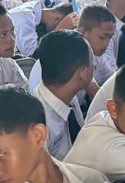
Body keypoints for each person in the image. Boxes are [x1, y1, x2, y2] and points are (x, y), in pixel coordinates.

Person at [32, 30, 92, 158]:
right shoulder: (38, 124)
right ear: (83, 72)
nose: (95, 67)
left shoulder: (69, 97)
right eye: (92, 62)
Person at [76, 5, 118, 87]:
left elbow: (113, 79)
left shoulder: (97, 54)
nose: (107, 43)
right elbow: (93, 90)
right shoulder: (74, 55)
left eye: (110, 37)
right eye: (102, 37)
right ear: (82, 32)